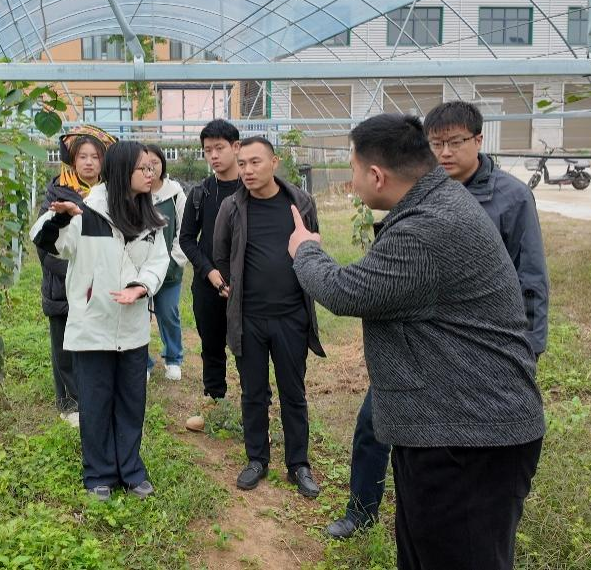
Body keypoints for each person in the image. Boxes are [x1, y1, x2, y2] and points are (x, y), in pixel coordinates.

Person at [290, 114, 544, 570]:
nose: (351, 180)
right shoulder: (439, 201)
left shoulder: (425, 230)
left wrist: (304, 249)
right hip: (447, 427)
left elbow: (345, 292)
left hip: (468, 440)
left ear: (376, 175)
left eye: (352, 168)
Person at [31, 141, 170, 501]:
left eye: (152, 168)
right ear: (123, 171)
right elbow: (47, 241)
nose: (151, 173)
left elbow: (159, 261)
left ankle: (132, 470)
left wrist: (142, 286)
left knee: (131, 402)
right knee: (95, 402)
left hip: (132, 326)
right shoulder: (86, 212)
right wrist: (60, 218)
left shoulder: (149, 216)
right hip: (94, 325)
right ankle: (98, 474)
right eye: (143, 168)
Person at [213, 136, 326, 498]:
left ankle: (299, 464)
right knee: (253, 392)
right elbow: (221, 254)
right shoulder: (232, 207)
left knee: (294, 392)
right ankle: (257, 459)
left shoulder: (300, 203)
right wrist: (230, 285)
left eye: (255, 162)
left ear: (274, 163)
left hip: (291, 317)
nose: (247, 170)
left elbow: (312, 247)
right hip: (249, 319)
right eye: (242, 163)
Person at [37, 125, 116, 428]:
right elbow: (45, 245)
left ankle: (94, 398)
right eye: (83, 156)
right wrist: (77, 274)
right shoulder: (57, 193)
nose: (89, 162)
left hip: (101, 286)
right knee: (64, 346)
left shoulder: (110, 194)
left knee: (96, 344)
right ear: (72, 160)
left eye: (95, 156)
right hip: (63, 285)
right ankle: (69, 401)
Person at [178, 119, 243, 431]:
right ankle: (214, 406)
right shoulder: (201, 193)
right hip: (208, 285)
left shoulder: (251, 189)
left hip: (246, 286)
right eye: (208, 150)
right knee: (212, 347)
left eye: (219, 148)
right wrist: (210, 272)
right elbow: (187, 239)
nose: (213, 155)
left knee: (249, 350)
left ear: (236, 147)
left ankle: (254, 413)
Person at [144, 144, 188, 381]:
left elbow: (184, 230)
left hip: (169, 269)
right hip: (139, 270)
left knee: (168, 313)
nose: (150, 167)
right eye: (144, 164)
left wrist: (174, 260)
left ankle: (173, 358)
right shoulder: (135, 192)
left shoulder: (174, 193)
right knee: (139, 317)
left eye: (155, 162)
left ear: (163, 163)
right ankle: (142, 362)